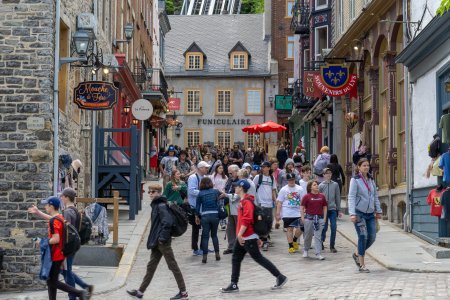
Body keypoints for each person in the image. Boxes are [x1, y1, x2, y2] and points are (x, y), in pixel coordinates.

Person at [221, 180, 288, 293]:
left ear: (241, 188)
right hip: (245, 237)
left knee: (258, 258)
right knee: (236, 258)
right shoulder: (243, 201)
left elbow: (247, 220)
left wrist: (241, 234)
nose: (235, 188)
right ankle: (233, 284)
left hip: (246, 236)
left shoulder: (246, 202)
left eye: (236, 186)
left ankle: (280, 277)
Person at [127, 184, 189, 300]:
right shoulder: (156, 205)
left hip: (162, 242)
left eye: (153, 192)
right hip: (157, 241)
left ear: (159, 193)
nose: (150, 194)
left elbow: (167, 223)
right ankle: (140, 292)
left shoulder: (161, 206)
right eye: (149, 192)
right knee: (151, 266)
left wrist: (162, 238)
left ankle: (183, 293)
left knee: (173, 266)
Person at [28, 197, 88, 300]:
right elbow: (51, 220)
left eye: (46, 205)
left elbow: (56, 239)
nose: (45, 206)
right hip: (60, 254)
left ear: (51, 206)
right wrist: (38, 212)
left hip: (55, 255)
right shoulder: (59, 217)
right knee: (52, 281)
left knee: (51, 281)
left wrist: (42, 242)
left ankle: (79, 293)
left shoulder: (54, 221)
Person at [348, 158, 382, 273]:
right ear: (358, 167)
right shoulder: (355, 180)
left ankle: (357, 253)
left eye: (367, 165)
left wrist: (378, 210)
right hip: (359, 213)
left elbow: (375, 196)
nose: (366, 167)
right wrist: (352, 213)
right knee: (363, 236)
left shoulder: (371, 179)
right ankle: (362, 265)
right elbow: (351, 197)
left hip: (370, 214)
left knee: (372, 237)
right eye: (364, 165)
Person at [276, 173, 306, 254]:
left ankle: (295, 240)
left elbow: (303, 201)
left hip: (298, 212)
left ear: (294, 179)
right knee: (289, 229)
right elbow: (279, 202)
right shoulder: (283, 189)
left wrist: (304, 210)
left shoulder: (300, 189)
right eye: (289, 180)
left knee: (301, 228)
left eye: (292, 180)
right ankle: (291, 246)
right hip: (287, 212)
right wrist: (278, 213)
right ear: (287, 181)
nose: (291, 181)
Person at [195, 177, 222, 263]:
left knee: (205, 236)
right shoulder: (215, 191)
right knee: (214, 235)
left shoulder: (200, 193)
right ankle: (217, 254)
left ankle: (204, 256)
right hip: (215, 215)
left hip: (205, 216)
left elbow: (197, 207)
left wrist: (197, 217)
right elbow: (223, 196)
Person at [187, 161, 210, 256]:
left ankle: (203, 246)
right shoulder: (193, 177)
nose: (207, 169)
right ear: (200, 168)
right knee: (196, 228)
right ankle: (195, 249)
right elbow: (191, 191)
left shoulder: (205, 178)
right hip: (194, 207)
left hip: (203, 207)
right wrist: (204, 193)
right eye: (206, 168)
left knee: (206, 228)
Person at [301, 180, 328, 260]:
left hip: (319, 219)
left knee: (318, 236)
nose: (317, 186)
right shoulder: (306, 196)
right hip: (309, 218)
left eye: (317, 185)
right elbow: (302, 207)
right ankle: (306, 249)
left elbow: (325, 207)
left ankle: (318, 253)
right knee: (307, 235)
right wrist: (302, 217)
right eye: (315, 185)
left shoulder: (322, 196)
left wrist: (325, 218)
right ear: (310, 187)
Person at [253, 161, 277, 251]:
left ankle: (265, 240)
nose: (262, 168)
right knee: (260, 222)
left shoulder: (272, 178)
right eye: (261, 167)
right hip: (260, 204)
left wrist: (275, 201)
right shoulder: (258, 177)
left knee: (268, 222)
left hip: (269, 204)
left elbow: (273, 190)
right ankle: (262, 240)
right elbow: (252, 188)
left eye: (264, 167)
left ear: (268, 168)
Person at [319, 168, 342, 253]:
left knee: (334, 227)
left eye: (330, 173)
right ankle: (321, 241)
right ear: (323, 175)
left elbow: (337, 197)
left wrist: (339, 210)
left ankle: (332, 245)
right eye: (326, 173)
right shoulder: (320, 185)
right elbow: (319, 198)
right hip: (323, 210)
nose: (328, 175)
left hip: (332, 209)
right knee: (324, 228)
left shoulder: (335, 185)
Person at [223, 164, 240, 254]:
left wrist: (226, 195)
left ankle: (238, 247)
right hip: (229, 207)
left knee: (238, 227)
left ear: (237, 172)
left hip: (237, 208)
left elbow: (238, 195)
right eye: (229, 173)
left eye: (231, 173)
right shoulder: (230, 179)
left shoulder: (241, 181)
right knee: (230, 228)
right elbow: (226, 189)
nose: (230, 175)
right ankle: (231, 246)